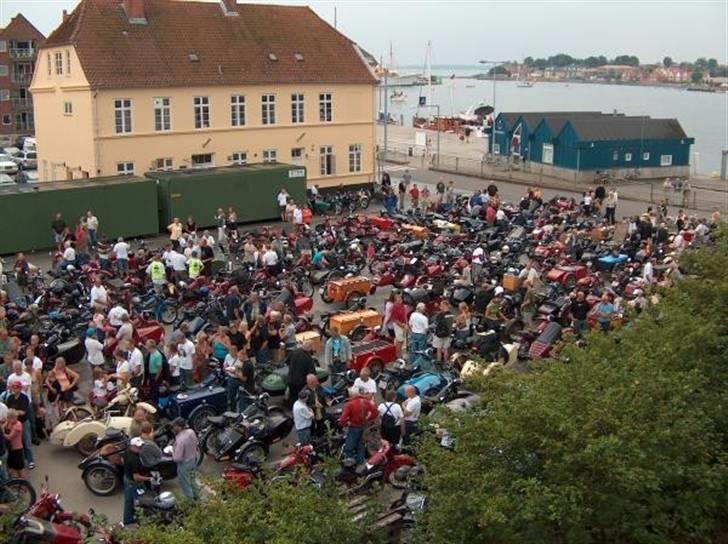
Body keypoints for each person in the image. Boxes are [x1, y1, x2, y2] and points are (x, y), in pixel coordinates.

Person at [339, 387, 378, 464]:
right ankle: (360, 462)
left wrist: (346, 423)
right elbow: (375, 413)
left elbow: (342, 420)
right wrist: (368, 418)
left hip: (354, 427)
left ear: (352, 395)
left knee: (349, 446)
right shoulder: (366, 402)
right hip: (364, 427)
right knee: (361, 445)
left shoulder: (350, 404)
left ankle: (349, 463)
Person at [2, 382, 33, 470]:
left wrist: (13, 413)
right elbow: (9, 411)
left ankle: (30, 460)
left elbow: (22, 412)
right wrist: (13, 414)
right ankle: (21, 461)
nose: (13, 389)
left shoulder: (24, 397)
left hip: (23, 422)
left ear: (20, 389)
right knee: (16, 443)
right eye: (12, 387)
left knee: (26, 442)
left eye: (15, 388)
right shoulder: (10, 398)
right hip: (12, 422)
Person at [122, 436, 152, 526]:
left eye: (141, 446)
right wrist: (149, 478)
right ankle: (142, 518)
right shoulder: (134, 459)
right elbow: (136, 477)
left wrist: (128, 469)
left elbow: (122, 460)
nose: (140, 448)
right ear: (132, 446)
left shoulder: (126, 452)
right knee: (142, 499)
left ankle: (128, 518)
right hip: (133, 482)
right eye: (138, 446)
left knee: (128, 500)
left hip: (126, 478)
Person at [171, 418, 199, 501]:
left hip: (184, 464)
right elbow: (196, 442)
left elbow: (177, 458)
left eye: (174, 426)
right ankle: (197, 496)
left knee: (185, 484)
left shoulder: (181, 440)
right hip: (193, 459)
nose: (173, 428)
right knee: (192, 480)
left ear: (179, 427)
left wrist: (172, 452)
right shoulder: (191, 432)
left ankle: (191, 502)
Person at [287, 341, 316, 407]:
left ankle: (293, 408)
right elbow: (311, 373)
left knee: (292, 396)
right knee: (301, 397)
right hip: (301, 382)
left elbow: (287, 362)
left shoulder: (293, 352)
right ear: (309, 348)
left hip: (291, 379)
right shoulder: (308, 358)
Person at [3, 409, 25, 478]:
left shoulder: (18, 425)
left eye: (16, 417)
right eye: (14, 417)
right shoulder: (8, 422)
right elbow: (3, 427)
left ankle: (24, 485)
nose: (16, 418)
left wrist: (2, 434)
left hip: (17, 449)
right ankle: (16, 483)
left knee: (20, 469)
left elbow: (9, 437)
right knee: (12, 468)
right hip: (10, 449)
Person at [390, 292, 408, 357]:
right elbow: (396, 320)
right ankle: (398, 355)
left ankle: (403, 354)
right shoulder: (394, 308)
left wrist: (406, 324)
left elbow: (405, 315)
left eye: (400, 297)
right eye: (398, 298)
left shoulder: (402, 306)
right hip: (398, 325)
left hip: (403, 324)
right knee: (400, 341)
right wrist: (403, 326)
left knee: (403, 340)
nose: (400, 299)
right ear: (395, 300)